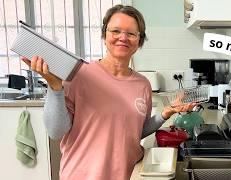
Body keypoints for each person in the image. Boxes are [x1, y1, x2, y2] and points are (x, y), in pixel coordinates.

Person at [21, 4, 196, 180]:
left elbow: (134, 132)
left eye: (131, 33)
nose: (123, 38)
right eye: (116, 31)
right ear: (104, 35)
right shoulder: (79, 74)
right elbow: (56, 131)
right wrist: (55, 87)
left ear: (139, 41)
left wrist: (165, 113)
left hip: (126, 175)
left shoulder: (142, 85)